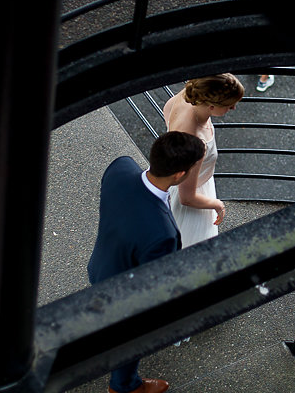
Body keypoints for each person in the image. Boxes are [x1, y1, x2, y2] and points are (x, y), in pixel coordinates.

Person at [88, 131, 206, 393]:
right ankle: (124, 387)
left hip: (99, 265)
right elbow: (154, 283)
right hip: (123, 292)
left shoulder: (121, 167)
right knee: (131, 338)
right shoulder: (162, 233)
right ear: (179, 174)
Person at [162, 73, 245, 247]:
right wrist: (217, 205)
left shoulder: (190, 95)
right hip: (194, 194)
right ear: (211, 106)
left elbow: (167, 109)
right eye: (229, 105)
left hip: (176, 177)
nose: (233, 108)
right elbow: (187, 197)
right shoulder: (195, 142)